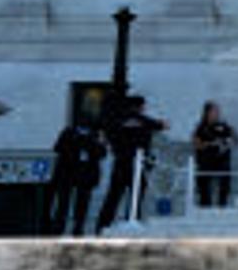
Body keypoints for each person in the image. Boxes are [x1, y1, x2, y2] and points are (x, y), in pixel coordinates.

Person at [94, 91, 165, 234]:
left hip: (120, 161)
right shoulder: (142, 120)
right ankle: (132, 220)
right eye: (143, 106)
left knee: (114, 195)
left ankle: (102, 225)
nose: (144, 108)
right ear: (139, 107)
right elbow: (161, 125)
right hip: (135, 163)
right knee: (137, 191)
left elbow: (107, 134)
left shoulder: (117, 120)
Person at [42, 109, 107, 237]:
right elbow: (58, 148)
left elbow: (102, 153)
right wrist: (77, 146)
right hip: (68, 172)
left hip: (86, 173)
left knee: (81, 203)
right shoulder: (68, 133)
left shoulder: (96, 135)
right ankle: (60, 227)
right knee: (63, 203)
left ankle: (78, 227)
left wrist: (89, 145)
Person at [189, 101, 238, 212]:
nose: (217, 113)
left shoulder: (223, 126)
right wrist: (209, 144)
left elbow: (237, 140)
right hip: (206, 161)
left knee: (225, 183)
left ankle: (222, 206)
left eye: (218, 111)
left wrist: (230, 139)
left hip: (222, 160)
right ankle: (205, 208)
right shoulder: (201, 127)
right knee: (204, 186)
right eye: (214, 111)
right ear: (207, 112)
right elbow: (195, 143)